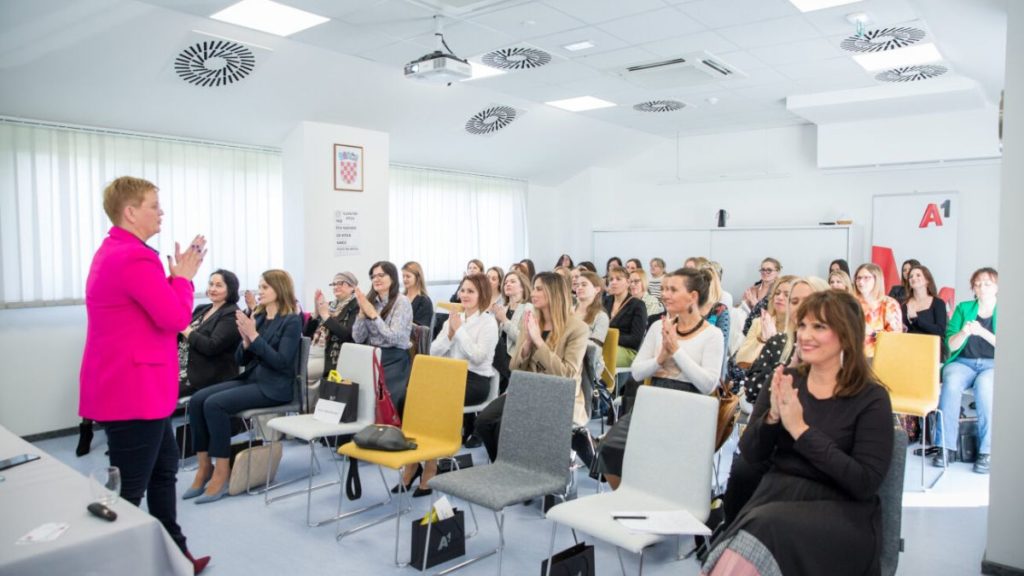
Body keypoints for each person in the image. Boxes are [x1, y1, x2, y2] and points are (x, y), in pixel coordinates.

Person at [702, 290, 894, 576]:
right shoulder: (787, 381)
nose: (805, 335)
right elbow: (752, 455)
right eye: (802, 325)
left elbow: (864, 482)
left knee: (760, 530)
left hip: (840, 513)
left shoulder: (872, 398)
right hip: (776, 498)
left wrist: (801, 430)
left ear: (846, 334)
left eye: (819, 326)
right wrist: (772, 417)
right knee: (743, 541)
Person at [78, 176, 210, 573]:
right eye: (154, 205)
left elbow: (153, 307)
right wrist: (184, 278)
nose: (161, 212)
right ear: (130, 211)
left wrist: (174, 280)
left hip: (134, 388)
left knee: (163, 472)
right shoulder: (135, 257)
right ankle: (110, 564)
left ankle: (175, 555)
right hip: (135, 392)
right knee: (128, 491)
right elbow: (173, 316)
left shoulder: (114, 250)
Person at [596, 268, 725, 489]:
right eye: (664, 289)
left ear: (692, 296)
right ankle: (627, 495)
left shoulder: (712, 334)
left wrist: (676, 352)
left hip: (690, 408)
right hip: (652, 401)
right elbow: (637, 371)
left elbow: (707, 384)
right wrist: (660, 360)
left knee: (663, 462)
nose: (664, 294)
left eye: (673, 289)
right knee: (608, 447)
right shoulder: (658, 327)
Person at [186, 269, 302, 504]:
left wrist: (255, 338)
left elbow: (282, 363)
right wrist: (247, 342)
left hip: (274, 387)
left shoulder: (291, 321)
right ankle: (204, 466)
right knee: (198, 400)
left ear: (279, 290)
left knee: (214, 404)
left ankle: (222, 471)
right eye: (260, 287)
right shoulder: (258, 317)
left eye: (264, 288)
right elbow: (241, 360)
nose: (259, 292)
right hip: (253, 379)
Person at [723, 277, 827, 524]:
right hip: (775, 436)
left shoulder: (837, 367)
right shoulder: (781, 343)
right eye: (793, 302)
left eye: (805, 301)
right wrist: (787, 368)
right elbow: (754, 387)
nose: (795, 308)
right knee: (743, 471)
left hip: (814, 447)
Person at [393, 273, 499, 496]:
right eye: (463, 290)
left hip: (475, 381)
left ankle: (429, 465)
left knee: (432, 403)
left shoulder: (488, 322)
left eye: (471, 291)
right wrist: (450, 332)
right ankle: (415, 460)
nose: (464, 295)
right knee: (406, 399)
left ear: (482, 294)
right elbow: (434, 351)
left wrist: (458, 330)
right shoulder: (455, 317)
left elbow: (479, 357)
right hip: (448, 377)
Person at [474, 272, 589, 463]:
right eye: (534, 288)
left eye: (538, 289)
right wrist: (527, 345)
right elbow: (514, 368)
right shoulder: (531, 321)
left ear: (553, 293)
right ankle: (502, 466)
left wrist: (538, 342)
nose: (533, 293)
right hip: (529, 391)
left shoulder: (577, 328)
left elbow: (567, 375)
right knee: (484, 421)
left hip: (558, 396)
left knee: (506, 425)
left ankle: (519, 472)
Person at [934, 267, 998, 474]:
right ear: (973, 288)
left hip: (992, 364)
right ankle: (946, 447)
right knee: (951, 385)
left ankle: (986, 451)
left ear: (996, 287)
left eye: (987, 283)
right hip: (963, 362)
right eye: (978, 284)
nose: (982, 287)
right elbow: (950, 345)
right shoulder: (963, 308)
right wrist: (964, 332)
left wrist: (983, 332)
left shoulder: (1006, 309)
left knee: (986, 387)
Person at [353, 261, 414, 414]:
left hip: (394, 358)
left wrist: (373, 315)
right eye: (373, 276)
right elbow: (358, 338)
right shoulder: (371, 301)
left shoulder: (402, 302)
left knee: (383, 403)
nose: (376, 279)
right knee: (358, 398)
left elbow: (394, 337)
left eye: (381, 275)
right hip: (372, 356)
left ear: (392, 277)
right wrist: (361, 313)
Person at [178, 269, 242, 397]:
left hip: (202, 376)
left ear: (231, 289)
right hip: (179, 368)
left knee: (153, 393)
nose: (212, 289)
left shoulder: (232, 314)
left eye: (218, 285)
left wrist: (187, 330)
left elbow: (211, 346)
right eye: (211, 284)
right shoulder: (202, 308)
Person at [727, 275, 797, 385]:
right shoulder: (759, 322)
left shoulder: (799, 330)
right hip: (751, 381)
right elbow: (741, 359)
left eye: (786, 295)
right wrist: (762, 341)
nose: (779, 297)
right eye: (777, 293)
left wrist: (772, 341)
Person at [304, 272, 360, 389]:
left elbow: (348, 336)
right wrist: (316, 311)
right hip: (315, 354)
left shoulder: (356, 307)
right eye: (334, 284)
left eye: (341, 283)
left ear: (352, 287)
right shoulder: (329, 306)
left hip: (335, 360)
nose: (336, 287)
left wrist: (325, 316)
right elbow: (307, 335)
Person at [491, 269, 532, 396]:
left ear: (522, 287)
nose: (507, 284)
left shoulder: (528, 308)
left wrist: (504, 320)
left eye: (513, 282)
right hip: (499, 355)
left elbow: (523, 340)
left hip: (514, 356)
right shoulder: (502, 308)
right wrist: (496, 323)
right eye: (506, 282)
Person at [854, 263, 903, 358]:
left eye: (866, 278)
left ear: (877, 280)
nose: (861, 282)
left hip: (878, 357)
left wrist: (872, 332)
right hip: (851, 356)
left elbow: (895, 337)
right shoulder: (850, 302)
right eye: (858, 278)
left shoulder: (889, 303)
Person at [603, 266, 648, 369]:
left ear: (628, 282)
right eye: (611, 279)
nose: (613, 282)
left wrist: (608, 338)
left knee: (599, 354)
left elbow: (635, 339)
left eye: (618, 279)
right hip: (605, 346)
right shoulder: (605, 301)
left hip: (627, 350)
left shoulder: (638, 305)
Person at [900, 264, 948, 359]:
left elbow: (940, 331)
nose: (914, 278)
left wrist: (916, 320)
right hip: (910, 346)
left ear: (927, 280)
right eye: (911, 276)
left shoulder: (938, 303)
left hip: (931, 347)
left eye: (918, 275)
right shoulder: (904, 305)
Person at [740, 257, 782, 335]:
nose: (765, 272)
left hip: (769, 329)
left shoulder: (779, 291)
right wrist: (745, 302)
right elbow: (742, 308)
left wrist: (755, 304)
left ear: (777, 272)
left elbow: (777, 314)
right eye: (763, 270)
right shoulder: (753, 289)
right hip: (750, 326)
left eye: (769, 270)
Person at [574, 270, 610, 345]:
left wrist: (572, 342)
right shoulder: (568, 311)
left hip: (585, 355)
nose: (579, 288)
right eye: (577, 285)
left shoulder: (601, 316)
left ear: (596, 289)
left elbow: (595, 347)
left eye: (584, 285)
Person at [402, 262, 434, 327]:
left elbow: (421, 330)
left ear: (418, 278)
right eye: (403, 276)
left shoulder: (424, 301)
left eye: (408, 276)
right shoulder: (400, 298)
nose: (404, 279)